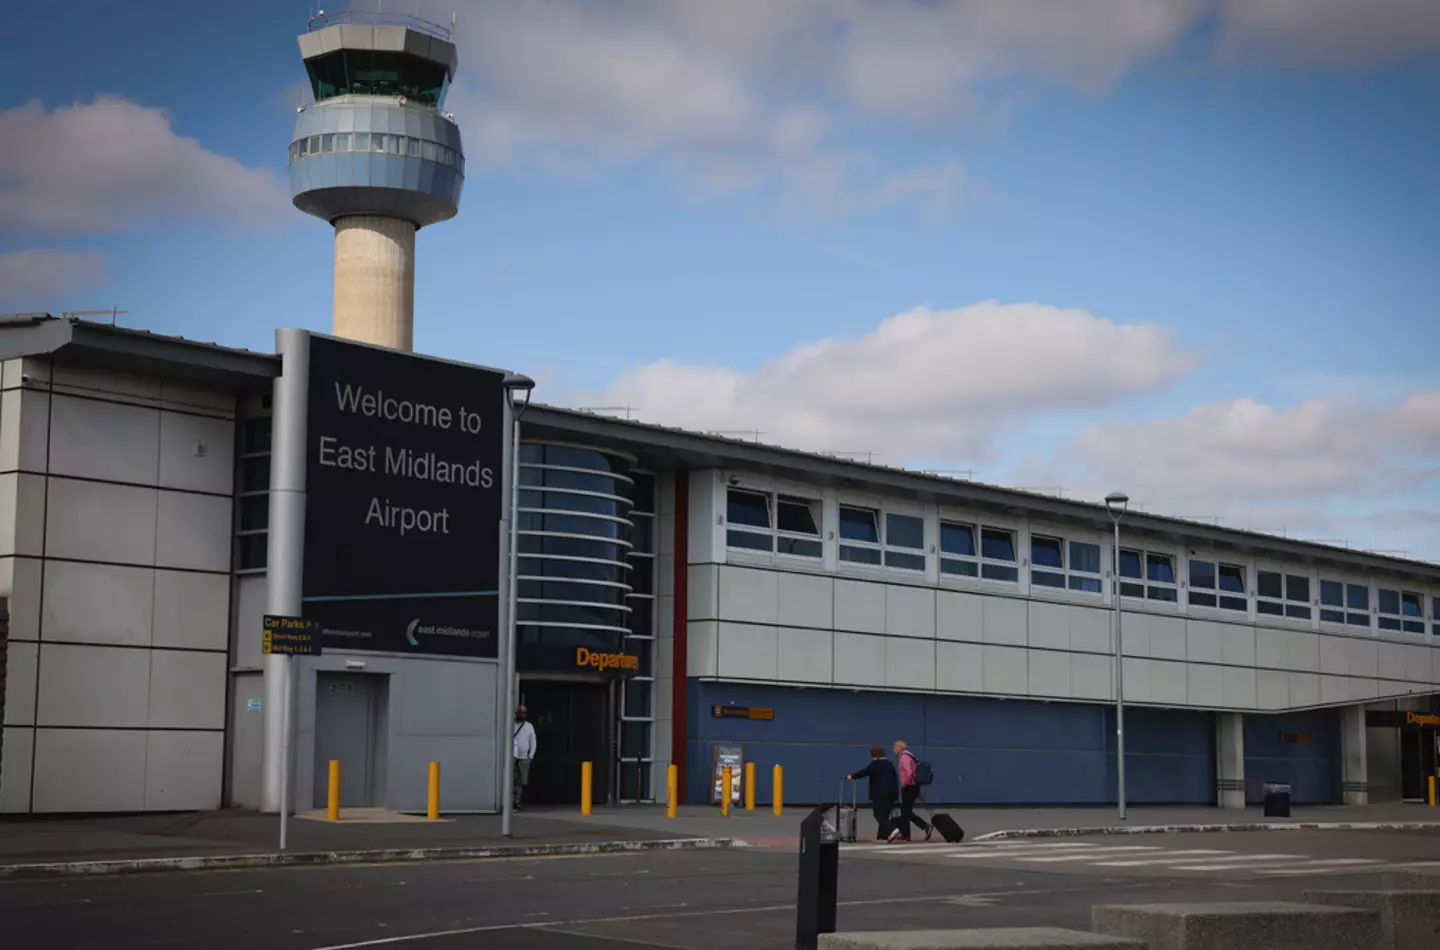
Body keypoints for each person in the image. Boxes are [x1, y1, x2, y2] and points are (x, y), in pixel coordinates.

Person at [846, 746, 903, 843]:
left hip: (880, 793)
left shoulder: (875, 764)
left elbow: (865, 772)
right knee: (885, 814)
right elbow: (895, 780)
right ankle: (882, 835)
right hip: (891, 794)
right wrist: (896, 796)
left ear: (875, 756)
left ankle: (893, 830)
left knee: (878, 814)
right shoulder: (889, 764)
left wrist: (852, 776)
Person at [894, 740, 932, 842]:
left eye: (895, 748)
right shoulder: (910, 756)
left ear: (899, 748)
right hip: (913, 787)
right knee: (906, 811)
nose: (894, 750)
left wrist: (905, 783)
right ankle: (906, 834)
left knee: (906, 811)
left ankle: (925, 826)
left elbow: (909, 772)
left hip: (909, 787)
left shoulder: (904, 758)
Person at [513, 705, 536, 810]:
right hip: (512, 756)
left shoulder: (529, 726)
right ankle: (511, 800)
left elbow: (533, 742)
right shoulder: (511, 724)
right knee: (511, 779)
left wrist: (530, 756)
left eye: (523, 713)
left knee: (521, 781)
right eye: (519, 713)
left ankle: (517, 801)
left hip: (524, 757)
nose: (521, 715)